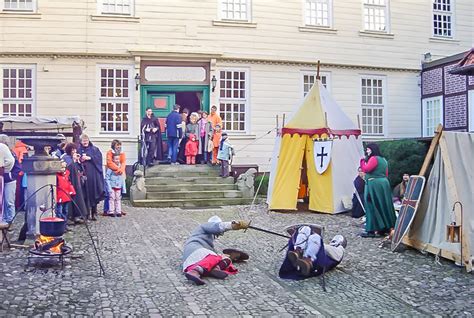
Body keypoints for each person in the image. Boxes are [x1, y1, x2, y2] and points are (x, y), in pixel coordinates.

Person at [182, 215, 250, 285]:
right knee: (216, 258)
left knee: (223, 259)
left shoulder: (208, 243)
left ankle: (214, 269)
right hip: (195, 249)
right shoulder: (203, 227)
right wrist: (234, 225)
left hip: (191, 260)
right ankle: (195, 271)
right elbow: (218, 226)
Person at [279, 225, 347, 279]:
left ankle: (299, 251)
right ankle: (304, 256)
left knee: (313, 237)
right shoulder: (337, 251)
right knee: (312, 234)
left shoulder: (338, 251)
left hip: (327, 254)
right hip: (328, 253)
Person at [359, 143, 397, 238]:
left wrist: (362, 161)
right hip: (383, 183)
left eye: (368, 149)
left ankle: (371, 230)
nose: (367, 151)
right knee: (383, 205)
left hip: (374, 184)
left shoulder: (374, 158)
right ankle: (385, 228)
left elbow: (366, 169)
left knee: (371, 205)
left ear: (372, 150)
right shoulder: (384, 160)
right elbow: (386, 173)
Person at [77, 134, 104, 221]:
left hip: (93, 176)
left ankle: (94, 212)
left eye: (86, 140)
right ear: (81, 142)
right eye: (83, 141)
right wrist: (80, 159)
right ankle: (85, 213)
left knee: (93, 193)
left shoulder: (95, 149)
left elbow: (99, 159)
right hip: (83, 175)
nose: (85, 142)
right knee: (84, 195)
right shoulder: (78, 150)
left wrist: (90, 158)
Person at [62, 143, 87, 224]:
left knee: (77, 198)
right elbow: (67, 168)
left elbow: (79, 168)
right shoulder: (66, 158)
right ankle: (69, 217)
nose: (74, 151)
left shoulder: (72, 158)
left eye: (75, 149)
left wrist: (77, 161)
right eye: (72, 150)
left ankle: (77, 216)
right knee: (69, 199)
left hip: (76, 181)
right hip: (69, 181)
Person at [103, 140, 126, 216]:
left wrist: (120, 170)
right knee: (109, 195)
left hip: (119, 175)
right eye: (117, 145)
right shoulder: (110, 152)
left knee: (118, 196)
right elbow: (109, 162)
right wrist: (117, 169)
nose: (119, 146)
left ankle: (118, 210)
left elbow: (123, 162)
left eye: (119, 145)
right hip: (112, 173)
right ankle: (107, 210)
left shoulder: (122, 153)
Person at [56, 161, 76, 226]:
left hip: (66, 195)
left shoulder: (67, 174)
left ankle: (64, 225)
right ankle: (60, 225)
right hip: (59, 197)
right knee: (59, 212)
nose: (63, 169)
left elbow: (68, 183)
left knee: (65, 211)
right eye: (61, 167)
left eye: (64, 168)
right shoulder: (57, 176)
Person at [0, 134, 15, 223]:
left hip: (9, 180)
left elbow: (14, 163)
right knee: (4, 201)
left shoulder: (9, 151)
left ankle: (10, 219)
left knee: (9, 201)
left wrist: (9, 175)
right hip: (4, 177)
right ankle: (5, 219)